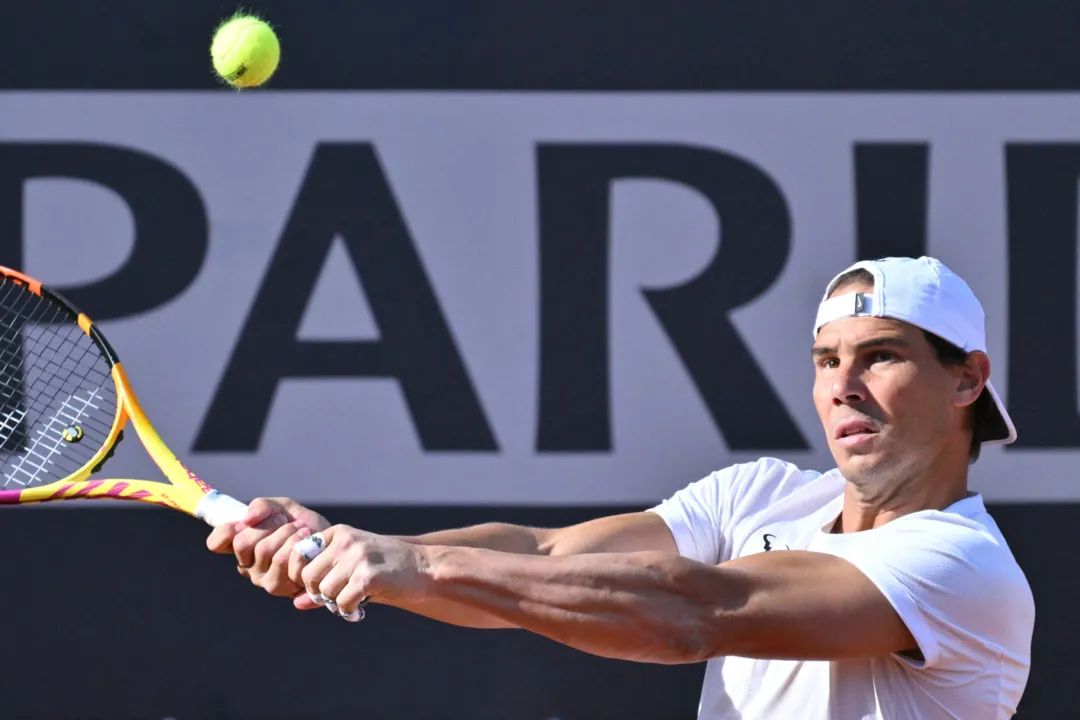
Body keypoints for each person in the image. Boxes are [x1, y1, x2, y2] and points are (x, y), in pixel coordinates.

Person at [208, 256, 1034, 719]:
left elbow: (694, 613)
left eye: (880, 356)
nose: (843, 386)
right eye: (827, 361)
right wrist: (356, 549)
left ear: (967, 382)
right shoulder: (761, 496)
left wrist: (414, 568)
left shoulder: (966, 570)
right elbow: (547, 556)